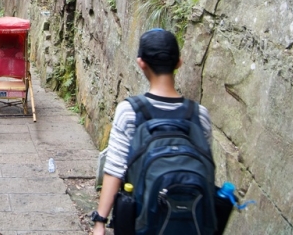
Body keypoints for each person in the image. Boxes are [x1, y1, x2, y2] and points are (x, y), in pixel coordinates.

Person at [91, 29, 213, 234]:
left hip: (143, 221)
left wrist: (100, 222)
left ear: (141, 63)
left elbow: (115, 170)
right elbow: (207, 172)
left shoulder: (130, 111)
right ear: (178, 63)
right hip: (193, 223)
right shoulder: (199, 115)